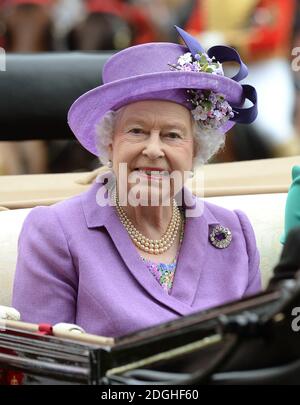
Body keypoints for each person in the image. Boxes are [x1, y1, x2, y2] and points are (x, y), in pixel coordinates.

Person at [13, 26, 261, 338]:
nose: (153, 149)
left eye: (172, 135)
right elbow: (45, 365)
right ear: (111, 144)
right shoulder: (54, 231)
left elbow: (258, 356)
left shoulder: (236, 233)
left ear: (195, 150)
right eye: (137, 131)